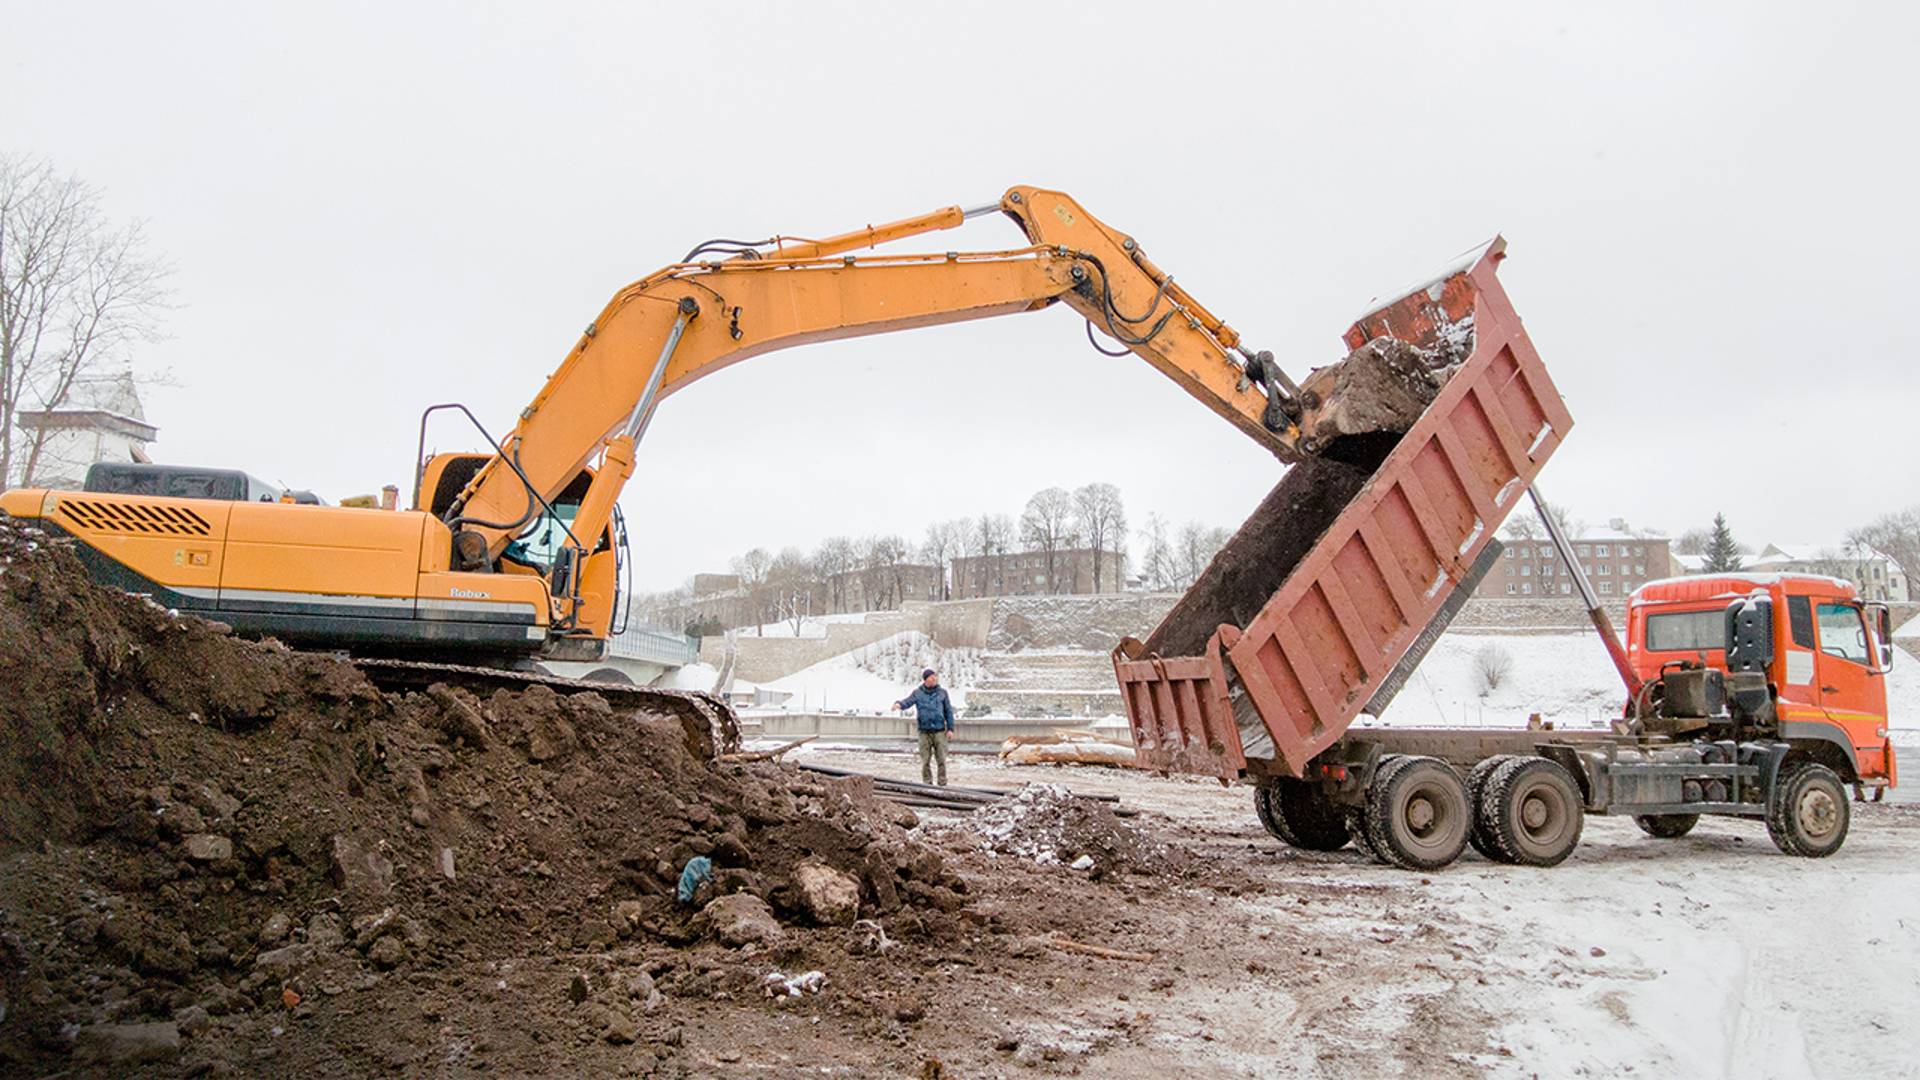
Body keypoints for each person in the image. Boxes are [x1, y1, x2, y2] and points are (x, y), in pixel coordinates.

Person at [893, 668, 956, 786]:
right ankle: (927, 783)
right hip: (924, 731)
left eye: (935, 676)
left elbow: (948, 711)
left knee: (941, 759)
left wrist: (951, 729)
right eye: (932, 677)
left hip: (939, 731)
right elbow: (908, 701)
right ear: (926, 679)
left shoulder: (943, 693)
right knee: (925, 760)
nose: (934, 679)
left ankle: (942, 782)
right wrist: (899, 704)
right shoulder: (918, 693)